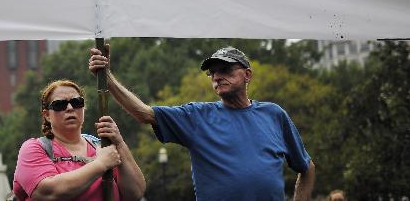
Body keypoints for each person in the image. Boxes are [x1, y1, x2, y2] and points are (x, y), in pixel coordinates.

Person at [89, 46, 316, 201]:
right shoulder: (197, 116)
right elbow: (144, 113)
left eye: (225, 70)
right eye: (212, 73)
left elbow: (307, 168)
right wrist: (107, 77)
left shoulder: (274, 114)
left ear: (247, 75)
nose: (217, 77)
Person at [12, 79, 145, 201]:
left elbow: (134, 193)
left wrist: (119, 143)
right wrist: (100, 165)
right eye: (60, 104)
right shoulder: (34, 148)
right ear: (46, 115)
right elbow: (48, 193)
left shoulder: (102, 147)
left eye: (76, 102)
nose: (70, 108)